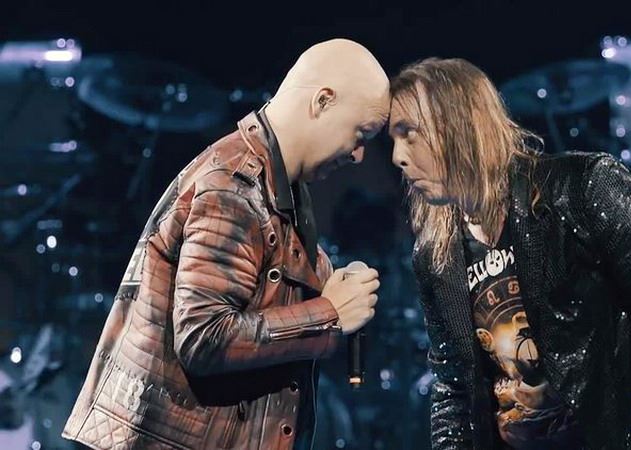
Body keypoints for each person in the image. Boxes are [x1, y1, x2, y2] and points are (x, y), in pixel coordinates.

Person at [388, 57, 631, 449]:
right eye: (393, 139)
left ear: (459, 124)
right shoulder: (435, 254)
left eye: (409, 133)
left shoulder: (580, 189)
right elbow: (454, 386)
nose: (397, 156)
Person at [62, 38, 390, 450]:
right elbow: (204, 336)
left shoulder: (278, 189)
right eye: (360, 133)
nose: (359, 155)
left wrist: (328, 283)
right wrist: (328, 314)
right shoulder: (234, 187)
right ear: (322, 101)